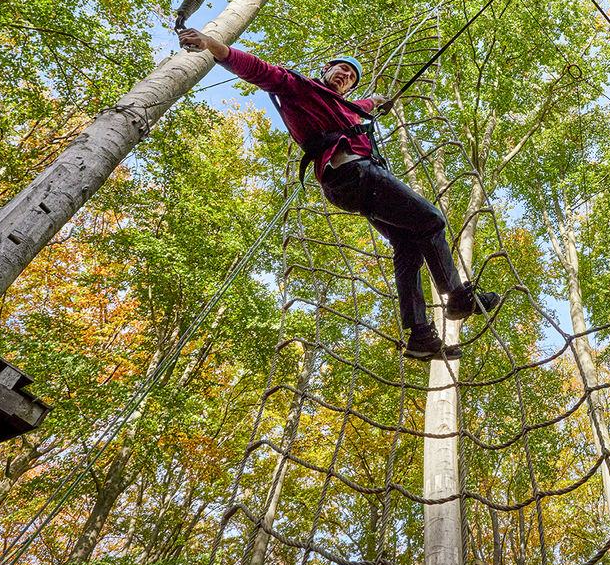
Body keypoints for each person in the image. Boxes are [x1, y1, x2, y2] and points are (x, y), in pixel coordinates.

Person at [178, 28, 500, 360]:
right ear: (325, 70)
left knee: (408, 245)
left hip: (355, 185)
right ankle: (458, 297)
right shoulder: (300, 87)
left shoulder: (347, 108)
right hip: (353, 173)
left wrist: (376, 102)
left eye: (350, 77)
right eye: (340, 70)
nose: (344, 77)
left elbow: (362, 105)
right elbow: (258, 70)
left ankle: (420, 336)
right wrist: (212, 45)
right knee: (431, 220)